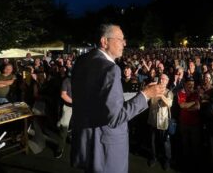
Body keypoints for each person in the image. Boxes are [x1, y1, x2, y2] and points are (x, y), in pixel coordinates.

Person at [70, 24, 165, 173]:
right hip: (106, 150)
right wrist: (146, 94)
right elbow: (116, 117)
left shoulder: (82, 61)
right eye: (120, 39)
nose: (124, 43)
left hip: (85, 143)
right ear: (104, 41)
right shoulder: (110, 69)